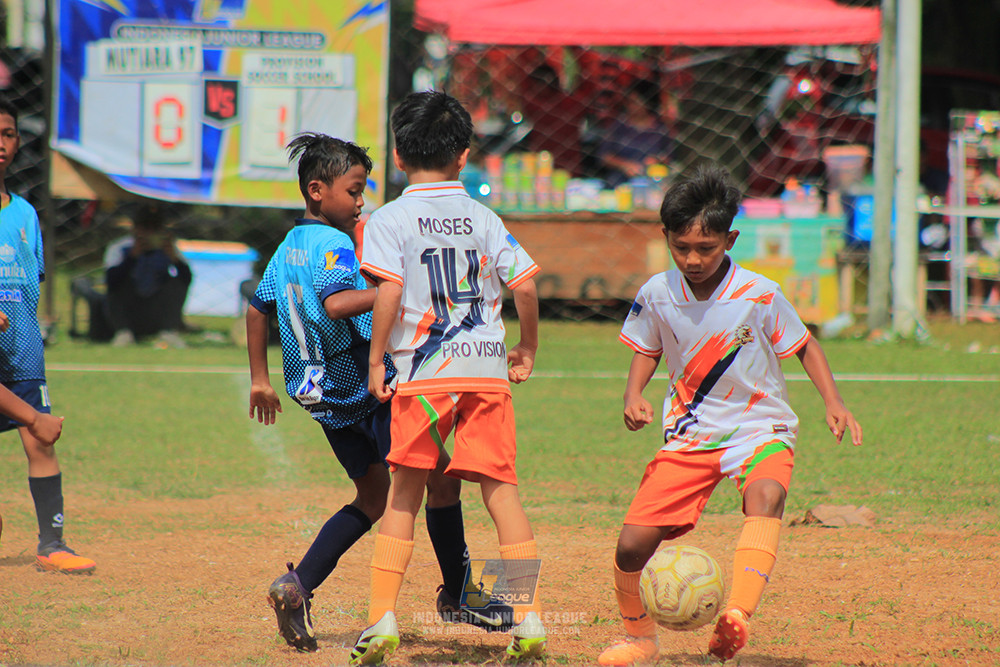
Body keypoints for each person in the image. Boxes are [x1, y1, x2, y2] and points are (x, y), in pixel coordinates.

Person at [246, 132, 509, 653]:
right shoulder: (333, 244)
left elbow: (258, 308)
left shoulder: (288, 245)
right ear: (317, 190)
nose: (362, 201)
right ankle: (458, 593)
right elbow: (341, 303)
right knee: (442, 481)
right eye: (355, 190)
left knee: (372, 497)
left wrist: (260, 378)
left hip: (322, 398)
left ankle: (296, 587)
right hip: (367, 392)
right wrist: (399, 287)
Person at [598, 164, 862, 666]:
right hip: (691, 432)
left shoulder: (759, 293)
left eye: (706, 248)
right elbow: (646, 348)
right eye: (682, 248)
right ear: (666, 239)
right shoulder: (657, 292)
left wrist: (834, 401)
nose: (693, 259)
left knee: (767, 495)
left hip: (759, 425)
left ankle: (736, 615)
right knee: (631, 547)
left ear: (730, 239)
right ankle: (639, 639)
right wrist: (633, 394)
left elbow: (804, 345)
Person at [350, 90, 546, 664]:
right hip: (486, 372)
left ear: (396, 154)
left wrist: (377, 358)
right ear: (464, 155)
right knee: (501, 494)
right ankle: (528, 616)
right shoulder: (485, 218)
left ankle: (382, 617)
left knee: (405, 495)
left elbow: (388, 289)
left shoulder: (390, 217)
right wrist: (526, 348)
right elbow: (526, 287)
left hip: (425, 373)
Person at [0, 97, 96, 574]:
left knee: (41, 443)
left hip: (21, 353)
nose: (1, 144)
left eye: (8, 134)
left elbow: (27, 283)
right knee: (38, 426)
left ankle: (52, 544)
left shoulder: (24, 215)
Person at [103, 204, 191, 348]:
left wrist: (174, 258)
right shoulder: (120, 248)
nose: (150, 232)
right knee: (120, 282)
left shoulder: (169, 248)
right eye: (145, 228)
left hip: (155, 308)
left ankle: (168, 331)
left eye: (155, 228)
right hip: (129, 308)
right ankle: (123, 332)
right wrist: (132, 256)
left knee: (175, 281)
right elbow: (111, 282)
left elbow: (186, 280)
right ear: (135, 228)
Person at [596, 77, 672, 188]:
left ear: (648, 104)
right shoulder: (619, 126)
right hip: (620, 184)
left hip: (651, 184)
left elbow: (670, 157)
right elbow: (604, 156)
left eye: (635, 102)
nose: (631, 106)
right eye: (629, 102)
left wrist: (657, 160)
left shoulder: (660, 129)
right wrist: (625, 165)